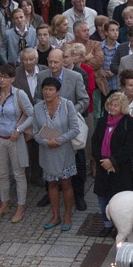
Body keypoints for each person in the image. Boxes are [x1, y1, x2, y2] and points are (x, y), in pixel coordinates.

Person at [0, 67, 35, 222]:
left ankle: (20, 207)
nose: (1, 80)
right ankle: (4, 203)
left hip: (14, 139)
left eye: (5, 77)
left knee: (19, 174)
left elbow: (31, 114)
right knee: (2, 174)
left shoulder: (19, 94)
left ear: (12, 79)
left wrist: (19, 129)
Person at [34, 76, 84, 231]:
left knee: (66, 183)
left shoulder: (67, 105)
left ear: (57, 91)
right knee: (52, 184)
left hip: (64, 151)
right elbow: (35, 132)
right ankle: (55, 216)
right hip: (47, 152)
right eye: (45, 89)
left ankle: (67, 215)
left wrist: (59, 140)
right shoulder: (37, 108)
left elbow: (75, 129)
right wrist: (45, 142)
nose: (47, 92)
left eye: (51, 89)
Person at [91, 89, 133, 231]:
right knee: (102, 197)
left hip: (121, 168)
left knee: (119, 199)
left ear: (123, 107)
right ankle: (107, 224)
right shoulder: (102, 121)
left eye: (116, 106)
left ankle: (120, 227)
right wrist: (103, 161)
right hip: (103, 166)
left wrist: (112, 162)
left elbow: (129, 147)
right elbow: (95, 142)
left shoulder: (129, 123)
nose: (112, 108)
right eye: (111, 105)